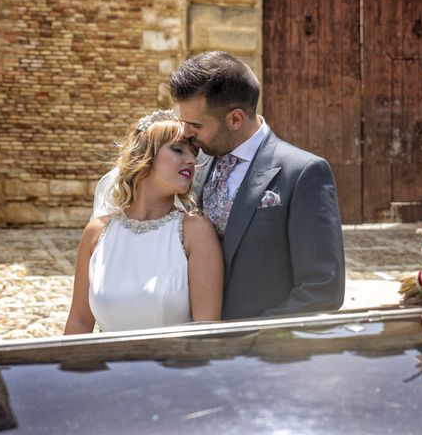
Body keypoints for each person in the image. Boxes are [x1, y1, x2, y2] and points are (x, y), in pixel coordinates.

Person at [93, 51, 345, 320]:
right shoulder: (192, 167)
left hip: (261, 353)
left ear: (235, 119)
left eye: (195, 125)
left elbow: (323, 289)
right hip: (188, 348)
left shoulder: (303, 173)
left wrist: (248, 340)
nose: (187, 134)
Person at [65, 109, 223, 334]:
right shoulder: (96, 233)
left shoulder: (195, 232)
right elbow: (79, 321)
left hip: (171, 367)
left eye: (194, 153)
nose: (191, 160)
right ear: (144, 155)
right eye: (178, 149)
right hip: (108, 367)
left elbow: (207, 331)